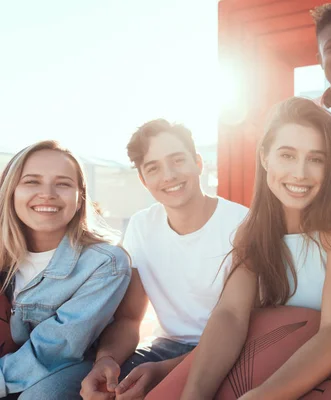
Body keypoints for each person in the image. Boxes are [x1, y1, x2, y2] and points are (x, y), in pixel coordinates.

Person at [147, 97, 331, 400]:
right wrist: (194, 394)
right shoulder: (252, 231)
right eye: (287, 155)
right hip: (270, 365)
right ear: (264, 157)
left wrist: (263, 396)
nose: (300, 173)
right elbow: (230, 315)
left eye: (316, 159)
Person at [79, 120, 248, 399]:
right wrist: (106, 361)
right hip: (167, 346)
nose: (168, 175)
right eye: (153, 168)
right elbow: (131, 318)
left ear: (197, 163)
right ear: (144, 180)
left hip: (236, 349)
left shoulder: (242, 224)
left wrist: (166, 370)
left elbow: (252, 326)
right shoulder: (141, 226)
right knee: (99, 387)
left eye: (178, 160)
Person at [0, 141, 131, 400]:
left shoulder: (105, 263)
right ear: (11, 191)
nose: (47, 193)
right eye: (32, 182)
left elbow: (55, 349)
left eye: (62, 183)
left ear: (80, 196)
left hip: (66, 367)